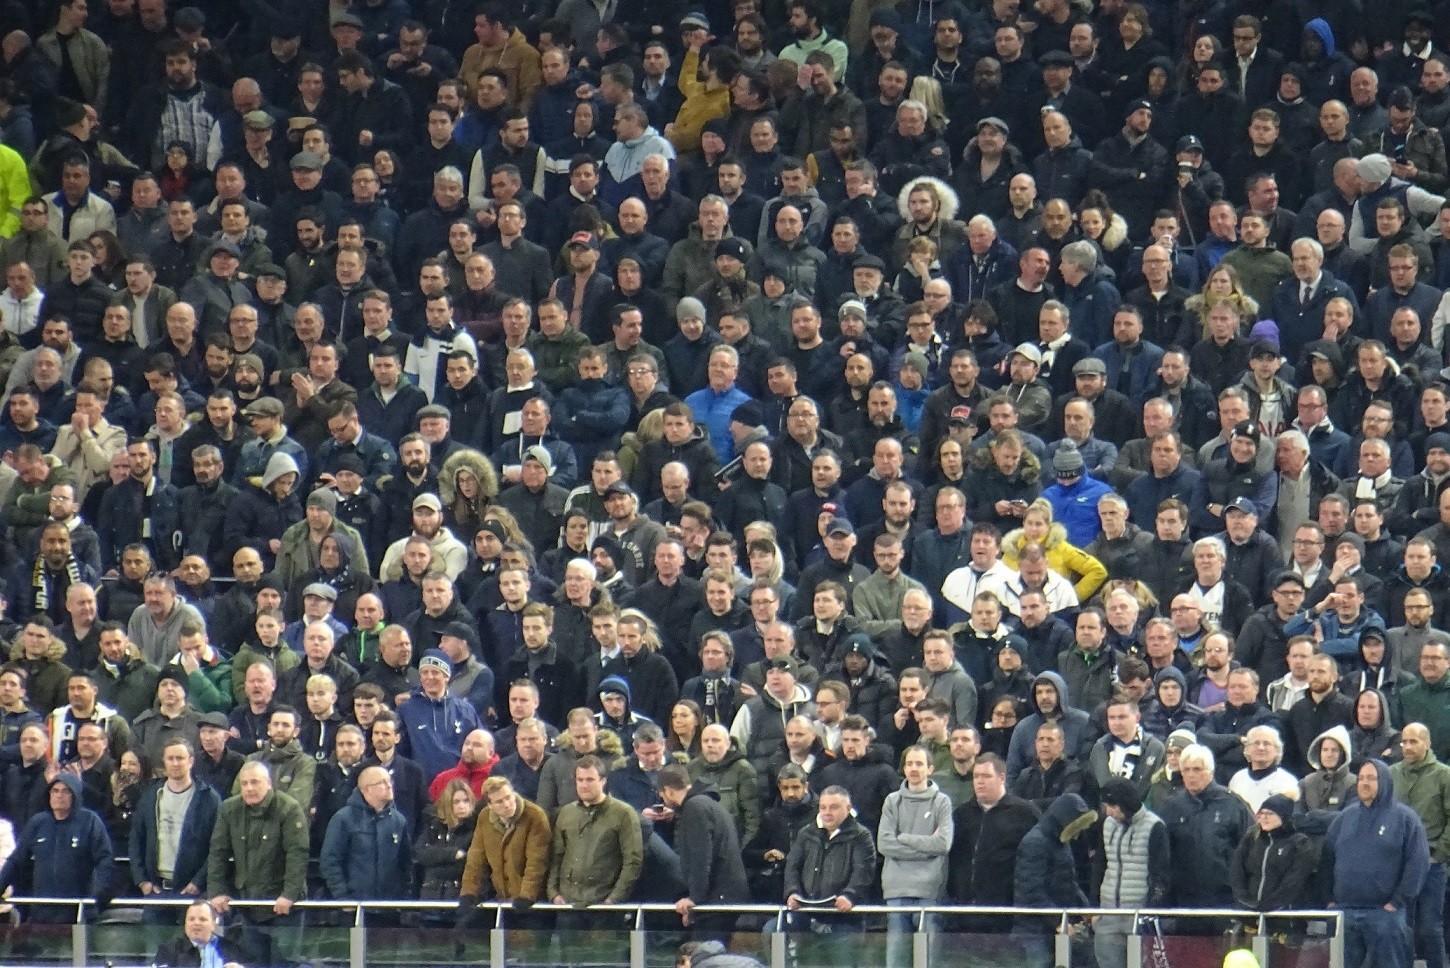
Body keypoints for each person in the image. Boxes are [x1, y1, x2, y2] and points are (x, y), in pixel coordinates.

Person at [1323, 759, 1431, 968]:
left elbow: (1417, 863)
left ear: (1385, 782)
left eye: (1371, 778)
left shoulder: (1405, 819)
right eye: (1361, 778)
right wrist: (1329, 901)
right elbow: (1326, 860)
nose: (1364, 783)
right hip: (1344, 913)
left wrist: (1397, 902)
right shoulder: (1344, 817)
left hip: (1385, 915)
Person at [0, 773, 113, 922]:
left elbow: (105, 859)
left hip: (78, 911)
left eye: (66, 791)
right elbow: (16, 860)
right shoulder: (38, 823)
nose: (60, 795)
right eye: (55, 791)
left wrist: (97, 894)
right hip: (42, 912)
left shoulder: (90, 821)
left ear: (75, 795)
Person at [208, 761, 308, 928]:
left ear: (268, 784)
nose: (249, 788)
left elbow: (297, 854)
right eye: (244, 783)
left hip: (283, 905)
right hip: (246, 903)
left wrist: (289, 894)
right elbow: (218, 853)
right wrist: (216, 892)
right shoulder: (229, 809)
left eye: (255, 782)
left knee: (282, 955)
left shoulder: (289, 808)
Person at [878, 744, 953, 967]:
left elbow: (942, 844)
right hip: (896, 887)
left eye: (919, 764)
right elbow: (884, 844)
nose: (914, 768)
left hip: (930, 888)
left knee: (928, 959)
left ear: (930, 769)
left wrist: (903, 837)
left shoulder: (942, 801)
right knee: (896, 959)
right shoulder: (892, 801)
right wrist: (924, 845)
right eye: (909, 763)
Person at [546, 755, 643, 927]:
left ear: (603, 781)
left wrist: (614, 899)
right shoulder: (566, 813)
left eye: (590, 779)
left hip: (604, 907)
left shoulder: (623, 813)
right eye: (580, 779)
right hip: (568, 905)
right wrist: (553, 892)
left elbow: (633, 861)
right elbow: (556, 856)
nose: (584, 785)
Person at [782, 784, 877, 952]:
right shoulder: (806, 833)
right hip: (806, 915)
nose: (827, 812)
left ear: (848, 808)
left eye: (833, 807)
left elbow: (863, 871)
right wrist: (792, 892)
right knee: (772, 930)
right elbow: (792, 867)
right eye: (823, 807)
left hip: (844, 920)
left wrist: (850, 895)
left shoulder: (861, 836)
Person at [658, 762, 749, 938]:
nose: (664, 801)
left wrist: (694, 899)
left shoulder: (694, 808)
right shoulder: (706, 804)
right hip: (722, 896)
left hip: (717, 900)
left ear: (668, 791)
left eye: (662, 796)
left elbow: (701, 857)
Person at [458, 774, 551, 919]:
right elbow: (476, 858)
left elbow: (537, 862)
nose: (507, 804)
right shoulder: (484, 817)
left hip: (532, 901)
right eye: (500, 801)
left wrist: (527, 896)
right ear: (490, 805)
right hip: (501, 896)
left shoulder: (535, 816)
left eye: (508, 797)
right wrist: (468, 893)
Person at [320, 765, 412, 902]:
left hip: (389, 907)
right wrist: (342, 896)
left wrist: (403, 897)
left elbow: (405, 864)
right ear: (366, 789)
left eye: (389, 781)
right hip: (353, 905)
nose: (389, 786)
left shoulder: (398, 821)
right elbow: (330, 861)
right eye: (382, 782)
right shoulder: (343, 819)